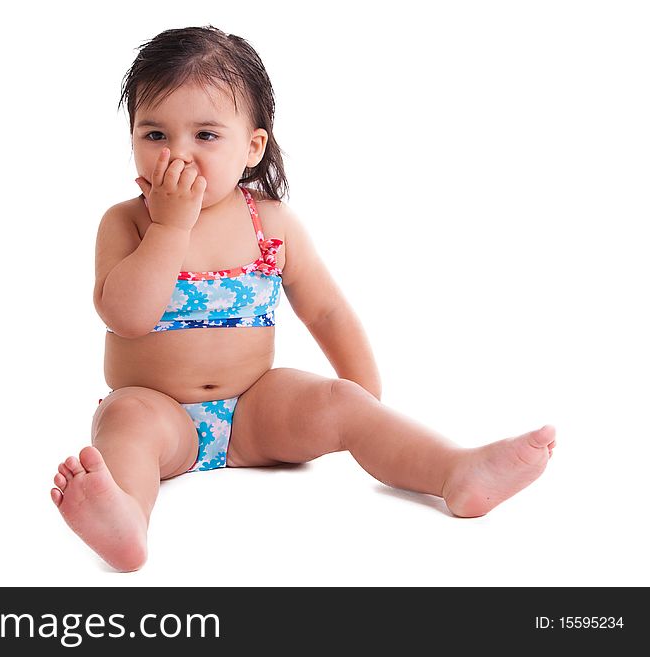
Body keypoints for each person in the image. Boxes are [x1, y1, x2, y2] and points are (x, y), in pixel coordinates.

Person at [50, 25, 556, 572]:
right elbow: (127, 317)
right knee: (125, 422)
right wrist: (169, 229)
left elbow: (326, 309)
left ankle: (455, 472)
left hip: (255, 408)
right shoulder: (126, 222)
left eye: (206, 135)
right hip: (159, 411)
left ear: (252, 147)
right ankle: (124, 519)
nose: (178, 155)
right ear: (131, 139)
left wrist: (361, 401)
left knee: (339, 402)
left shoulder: (270, 223)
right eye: (155, 136)